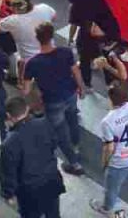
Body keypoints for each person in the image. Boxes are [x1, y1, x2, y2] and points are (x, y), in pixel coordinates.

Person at [20, 21, 85, 176]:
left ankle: (74, 163)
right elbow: (76, 72)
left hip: (52, 101)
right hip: (70, 94)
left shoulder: (33, 63)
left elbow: (26, 90)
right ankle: (76, 145)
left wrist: (23, 74)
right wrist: (81, 87)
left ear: (37, 38)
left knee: (61, 133)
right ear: (52, 35)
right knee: (73, 118)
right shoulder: (66, 52)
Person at [0, 96, 65, 218]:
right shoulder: (44, 123)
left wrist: (8, 194)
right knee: (54, 213)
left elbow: (8, 172)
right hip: (51, 180)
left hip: (29, 191)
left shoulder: (9, 143)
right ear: (27, 109)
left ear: (9, 116)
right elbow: (54, 143)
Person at [91, 81, 128, 217]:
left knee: (111, 189)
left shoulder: (107, 121)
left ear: (111, 98)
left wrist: (105, 163)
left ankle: (106, 208)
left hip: (119, 163)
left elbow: (109, 147)